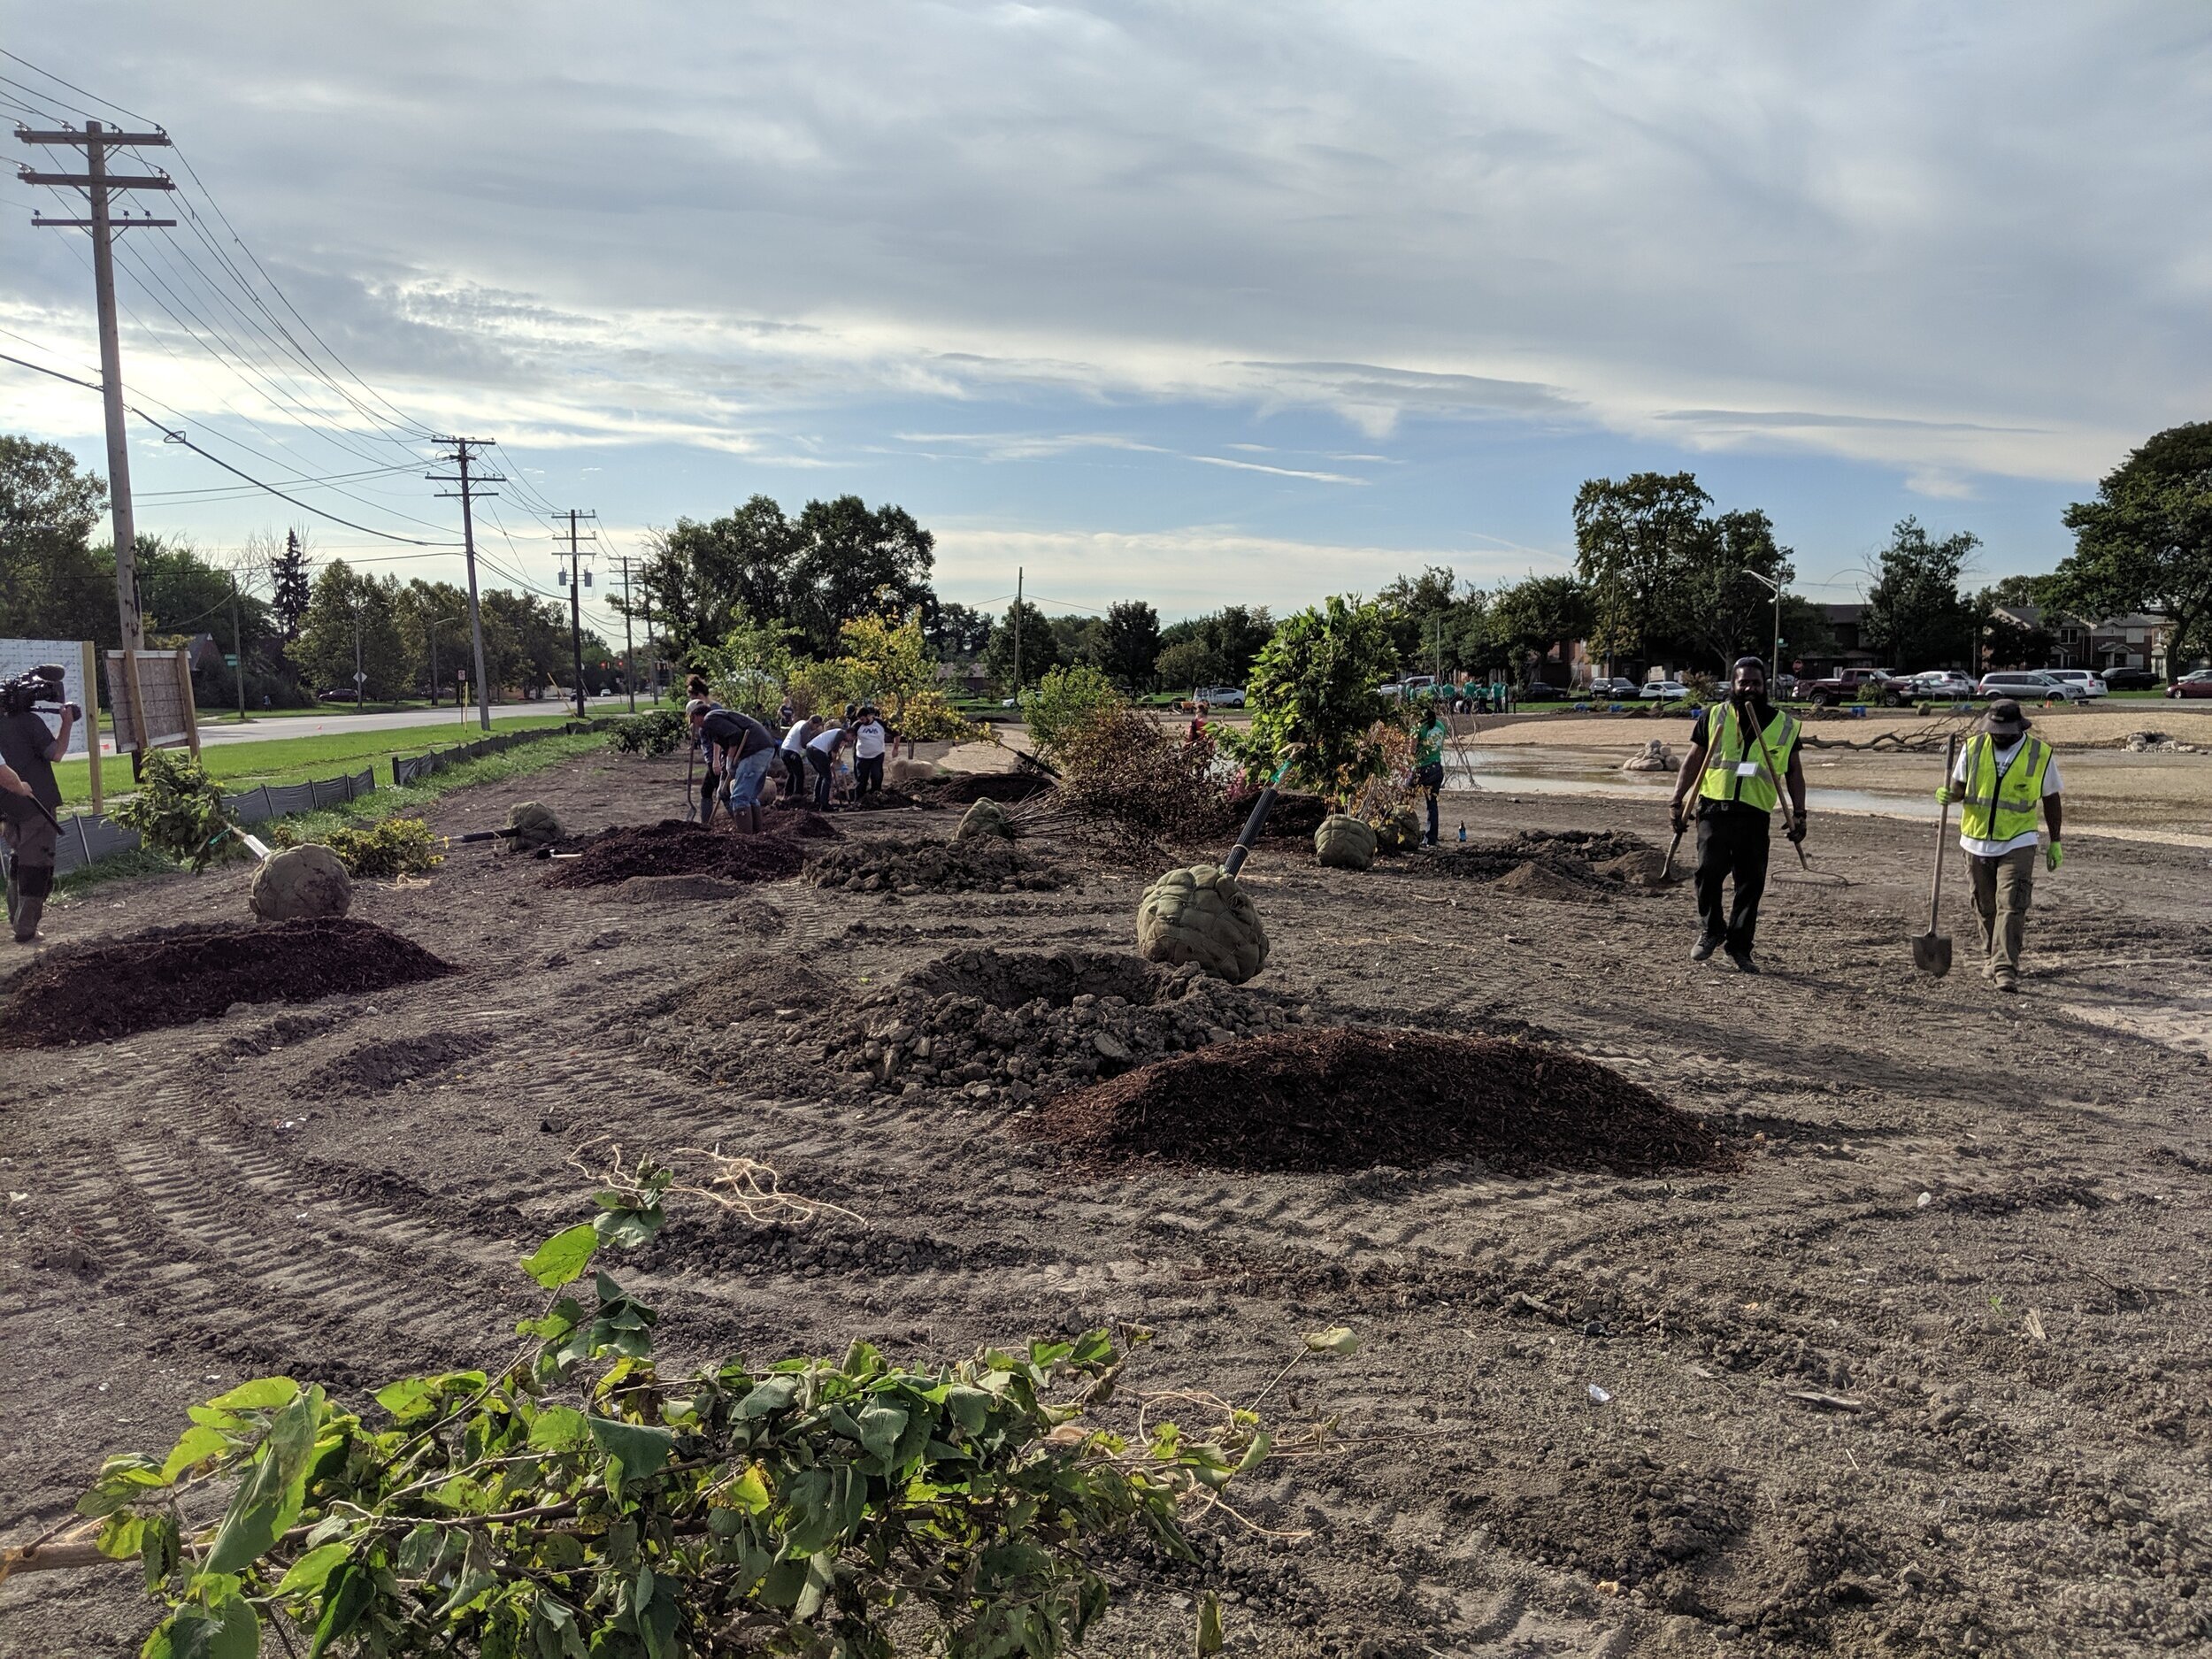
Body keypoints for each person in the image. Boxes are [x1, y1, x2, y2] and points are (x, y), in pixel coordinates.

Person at [1668, 657, 1807, 974]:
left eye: (1755, 683)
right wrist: (1677, 799)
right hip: (1714, 810)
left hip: (1755, 815)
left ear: (1764, 686)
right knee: (1708, 873)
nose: (1749, 689)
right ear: (1733, 684)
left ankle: (1740, 947)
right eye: (1743, 682)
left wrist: (1800, 813)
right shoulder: (1714, 716)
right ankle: (1712, 930)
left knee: (1750, 884)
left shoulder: (1784, 724)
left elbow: (1794, 772)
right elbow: (1693, 760)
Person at [1936, 697, 2062, 993]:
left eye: (2004, 731)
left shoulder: (2038, 753)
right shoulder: (1973, 748)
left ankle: (2006, 968)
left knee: (2012, 904)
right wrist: (1948, 795)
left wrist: (2055, 841)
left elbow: (2051, 798)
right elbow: (1959, 788)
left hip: (2018, 840)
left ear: (2018, 728)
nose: (1999, 736)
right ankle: (1990, 958)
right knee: (1985, 906)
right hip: (1975, 840)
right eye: (1995, 730)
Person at [0, 684, 74, 944]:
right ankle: (26, 929)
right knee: (37, 867)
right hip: (36, 806)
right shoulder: (30, 722)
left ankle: (16, 919)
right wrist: (67, 723)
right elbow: (57, 753)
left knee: (18, 862)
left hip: (7, 809)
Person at [687, 699, 778, 833]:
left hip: (754, 750)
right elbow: (726, 748)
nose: (697, 726)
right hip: (765, 747)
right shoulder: (719, 719)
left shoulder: (710, 719)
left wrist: (730, 760)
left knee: (739, 797)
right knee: (750, 796)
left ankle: (746, 839)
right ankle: (757, 837)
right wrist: (723, 781)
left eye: (694, 721)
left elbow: (735, 735)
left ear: (696, 715)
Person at [1410, 703, 1449, 846]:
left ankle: (1402, 832)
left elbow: (1412, 750)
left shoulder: (1418, 728)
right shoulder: (1440, 726)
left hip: (1422, 769)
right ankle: (1431, 838)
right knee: (1432, 804)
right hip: (1437, 768)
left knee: (1404, 798)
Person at [806, 720, 849, 809]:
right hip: (817, 750)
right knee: (827, 777)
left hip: (810, 749)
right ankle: (824, 803)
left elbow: (830, 755)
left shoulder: (830, 735)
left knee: (822, 775)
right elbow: (834, 750)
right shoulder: (841, 733)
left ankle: (817, 799)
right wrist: (833, 762)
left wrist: (830, 762)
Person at [779, 713, 816, 804]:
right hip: (792, 752)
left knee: (792, 773)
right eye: (816, 725)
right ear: (811, 722)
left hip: (784, 750)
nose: (815, 728)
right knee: (799, 775)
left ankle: (787, 795)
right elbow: (804, 743)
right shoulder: (806, 727)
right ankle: (797, 796)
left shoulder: (800, 722)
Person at [852, 706, 888, 797]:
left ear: (869, 716)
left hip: (877, 755)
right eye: (860, 719)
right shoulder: (857, 725)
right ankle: (859, 799)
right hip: (862, 756)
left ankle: (876, 796)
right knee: (861, 779)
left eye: (863, 719)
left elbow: (895, 733)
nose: (862, 721)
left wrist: (895, 748)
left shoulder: (880, 723)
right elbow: (850, 735)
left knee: (876, 775)